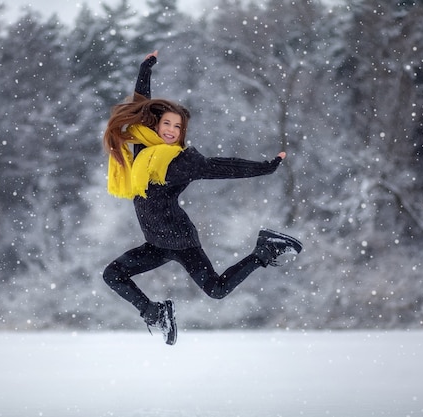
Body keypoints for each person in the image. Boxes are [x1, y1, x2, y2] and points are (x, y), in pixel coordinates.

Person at [102, 50, 302, 345]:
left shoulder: (178, 162)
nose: (171, 130)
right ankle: (156, 314)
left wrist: (264, 167)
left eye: (177, 127)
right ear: (156, 125)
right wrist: (145, 68)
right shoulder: (143, 148)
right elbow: (141, 104)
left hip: (181, 241)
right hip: (156, 243)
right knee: (112, 275)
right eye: (167, 123)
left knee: (217, 290)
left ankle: (266, 250)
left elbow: (220, 166)